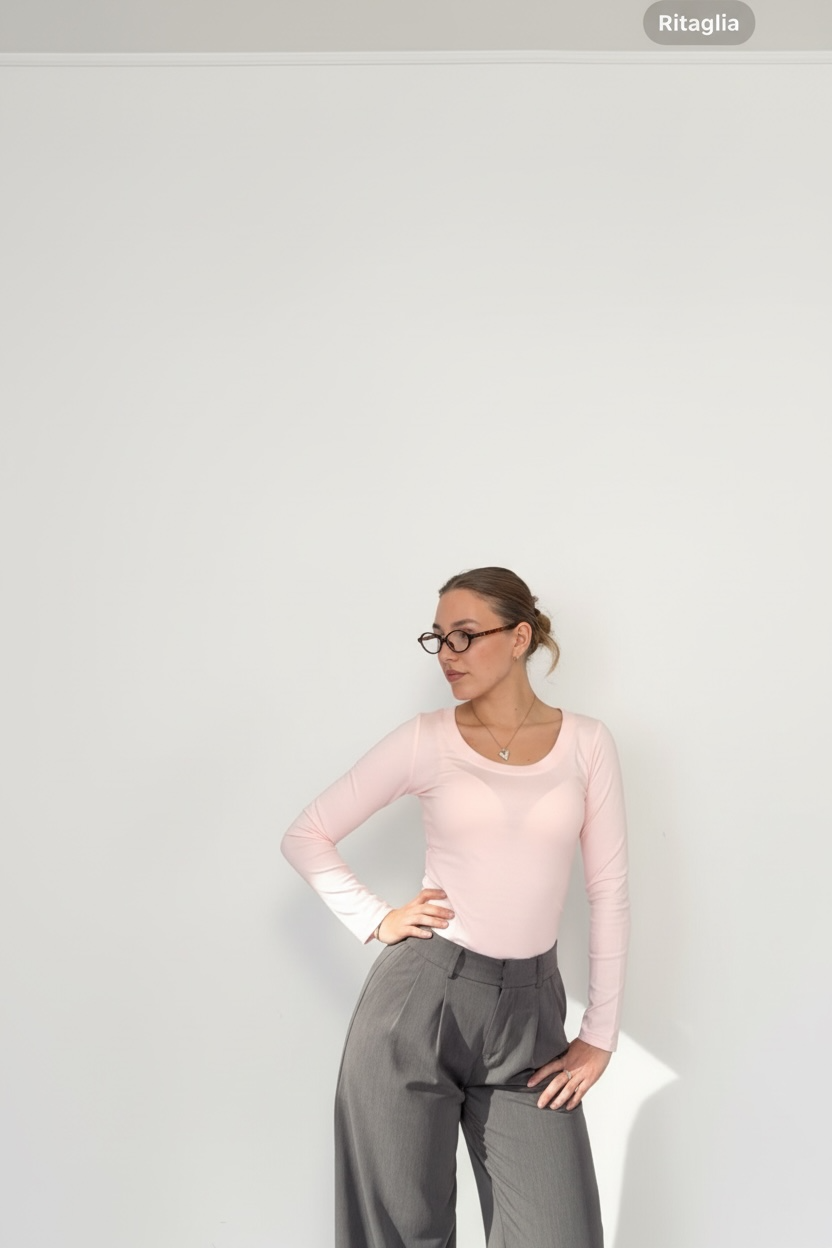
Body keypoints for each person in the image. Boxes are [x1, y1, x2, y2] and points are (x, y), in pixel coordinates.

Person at [281, 566, 629, 1248]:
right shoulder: (425, 739)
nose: (447, 653)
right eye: (438, 638)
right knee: (402, 1235)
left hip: (532, 1016)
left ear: (520, 637)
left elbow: (609, 892)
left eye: (465, 635)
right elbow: (307, 834)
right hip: (419, 1002)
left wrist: (600, 1035)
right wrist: (375, 918)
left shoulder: (588, 744)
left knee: (559, 1234)